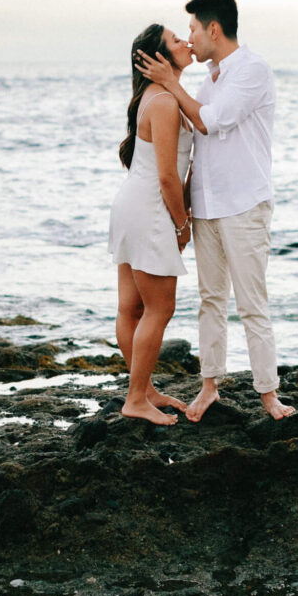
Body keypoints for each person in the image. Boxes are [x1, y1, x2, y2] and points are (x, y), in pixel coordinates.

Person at [136, 0, 295, 422]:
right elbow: (194, 139)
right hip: (208, 206)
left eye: (191, 29)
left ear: (213, 29)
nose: (189, 38)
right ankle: (210, 386)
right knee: (210, 300)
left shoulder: (252, 70)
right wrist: (183, 213)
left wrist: (171, 82)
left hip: (244, 204)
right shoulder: (211, 78)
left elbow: (210, 120)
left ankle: (268, 394)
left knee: (251, 303)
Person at [109, 23, 194, 425]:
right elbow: (167, 177)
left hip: (131, 204)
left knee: (131, 307)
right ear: (159, 58)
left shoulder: (152, 96)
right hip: (150, 208)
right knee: (160, 308)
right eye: (176, 40)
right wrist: (182, 224)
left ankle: (142, 391)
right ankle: (135, 399)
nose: (185, 42)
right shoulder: (162, 103)